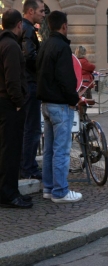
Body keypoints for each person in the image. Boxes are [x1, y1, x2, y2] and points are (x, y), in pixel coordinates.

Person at [36, 11, 83, 203]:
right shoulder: (62, 47)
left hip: (46, 103)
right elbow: (66, 78)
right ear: (64, 26)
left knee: (49, 150)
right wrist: (74, 99)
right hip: (60, 104)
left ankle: (49, 188)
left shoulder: (45, 45)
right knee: (62, 150)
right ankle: (60, 191)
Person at [0, 9, 31, 208]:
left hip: (4, 102)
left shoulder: (3, 43)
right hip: (9, 105)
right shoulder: (11, 46)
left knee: (5, 150)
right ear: (19, 24)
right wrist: (19, 103)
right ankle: (9, 195)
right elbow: (12, 79)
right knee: (10, 152)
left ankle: (9, 191)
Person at [20, 0, 45, 180]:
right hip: (30, 84)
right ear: (30, 11)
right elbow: (30, 56)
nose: (44, 14)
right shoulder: (28, 29)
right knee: (32, 128)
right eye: (41, 11)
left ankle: (26, 165)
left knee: (28, 128)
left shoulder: (24, 28)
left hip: (26, 83)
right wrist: (43, 65)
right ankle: (28, 167)